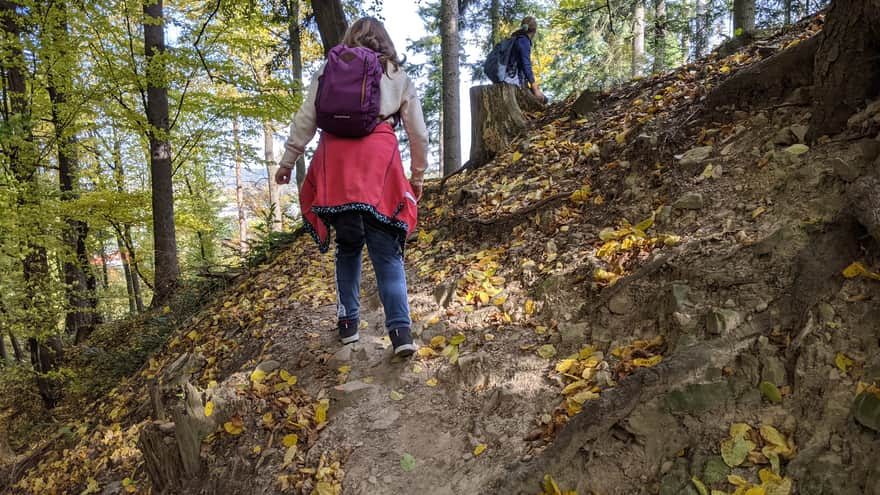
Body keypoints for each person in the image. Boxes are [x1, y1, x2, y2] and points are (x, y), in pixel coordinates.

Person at [275, 17, 428, 358]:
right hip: (378, 166)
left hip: (336, 166)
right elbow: (418, 133)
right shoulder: (397, 75)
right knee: (385, 250)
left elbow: (306, 118)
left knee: (348, 246)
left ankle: (348, 326)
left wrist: (287, 161)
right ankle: (401, 332)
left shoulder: (329, 70)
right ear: (385, 41)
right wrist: (417, 176)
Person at [506, 16, 546, 103]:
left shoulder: (516, 38)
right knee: (543, 100)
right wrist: (535, 89)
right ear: (534, 31)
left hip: (507, 78)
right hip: (513, 81)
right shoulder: (524, 41)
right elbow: (526, 65)